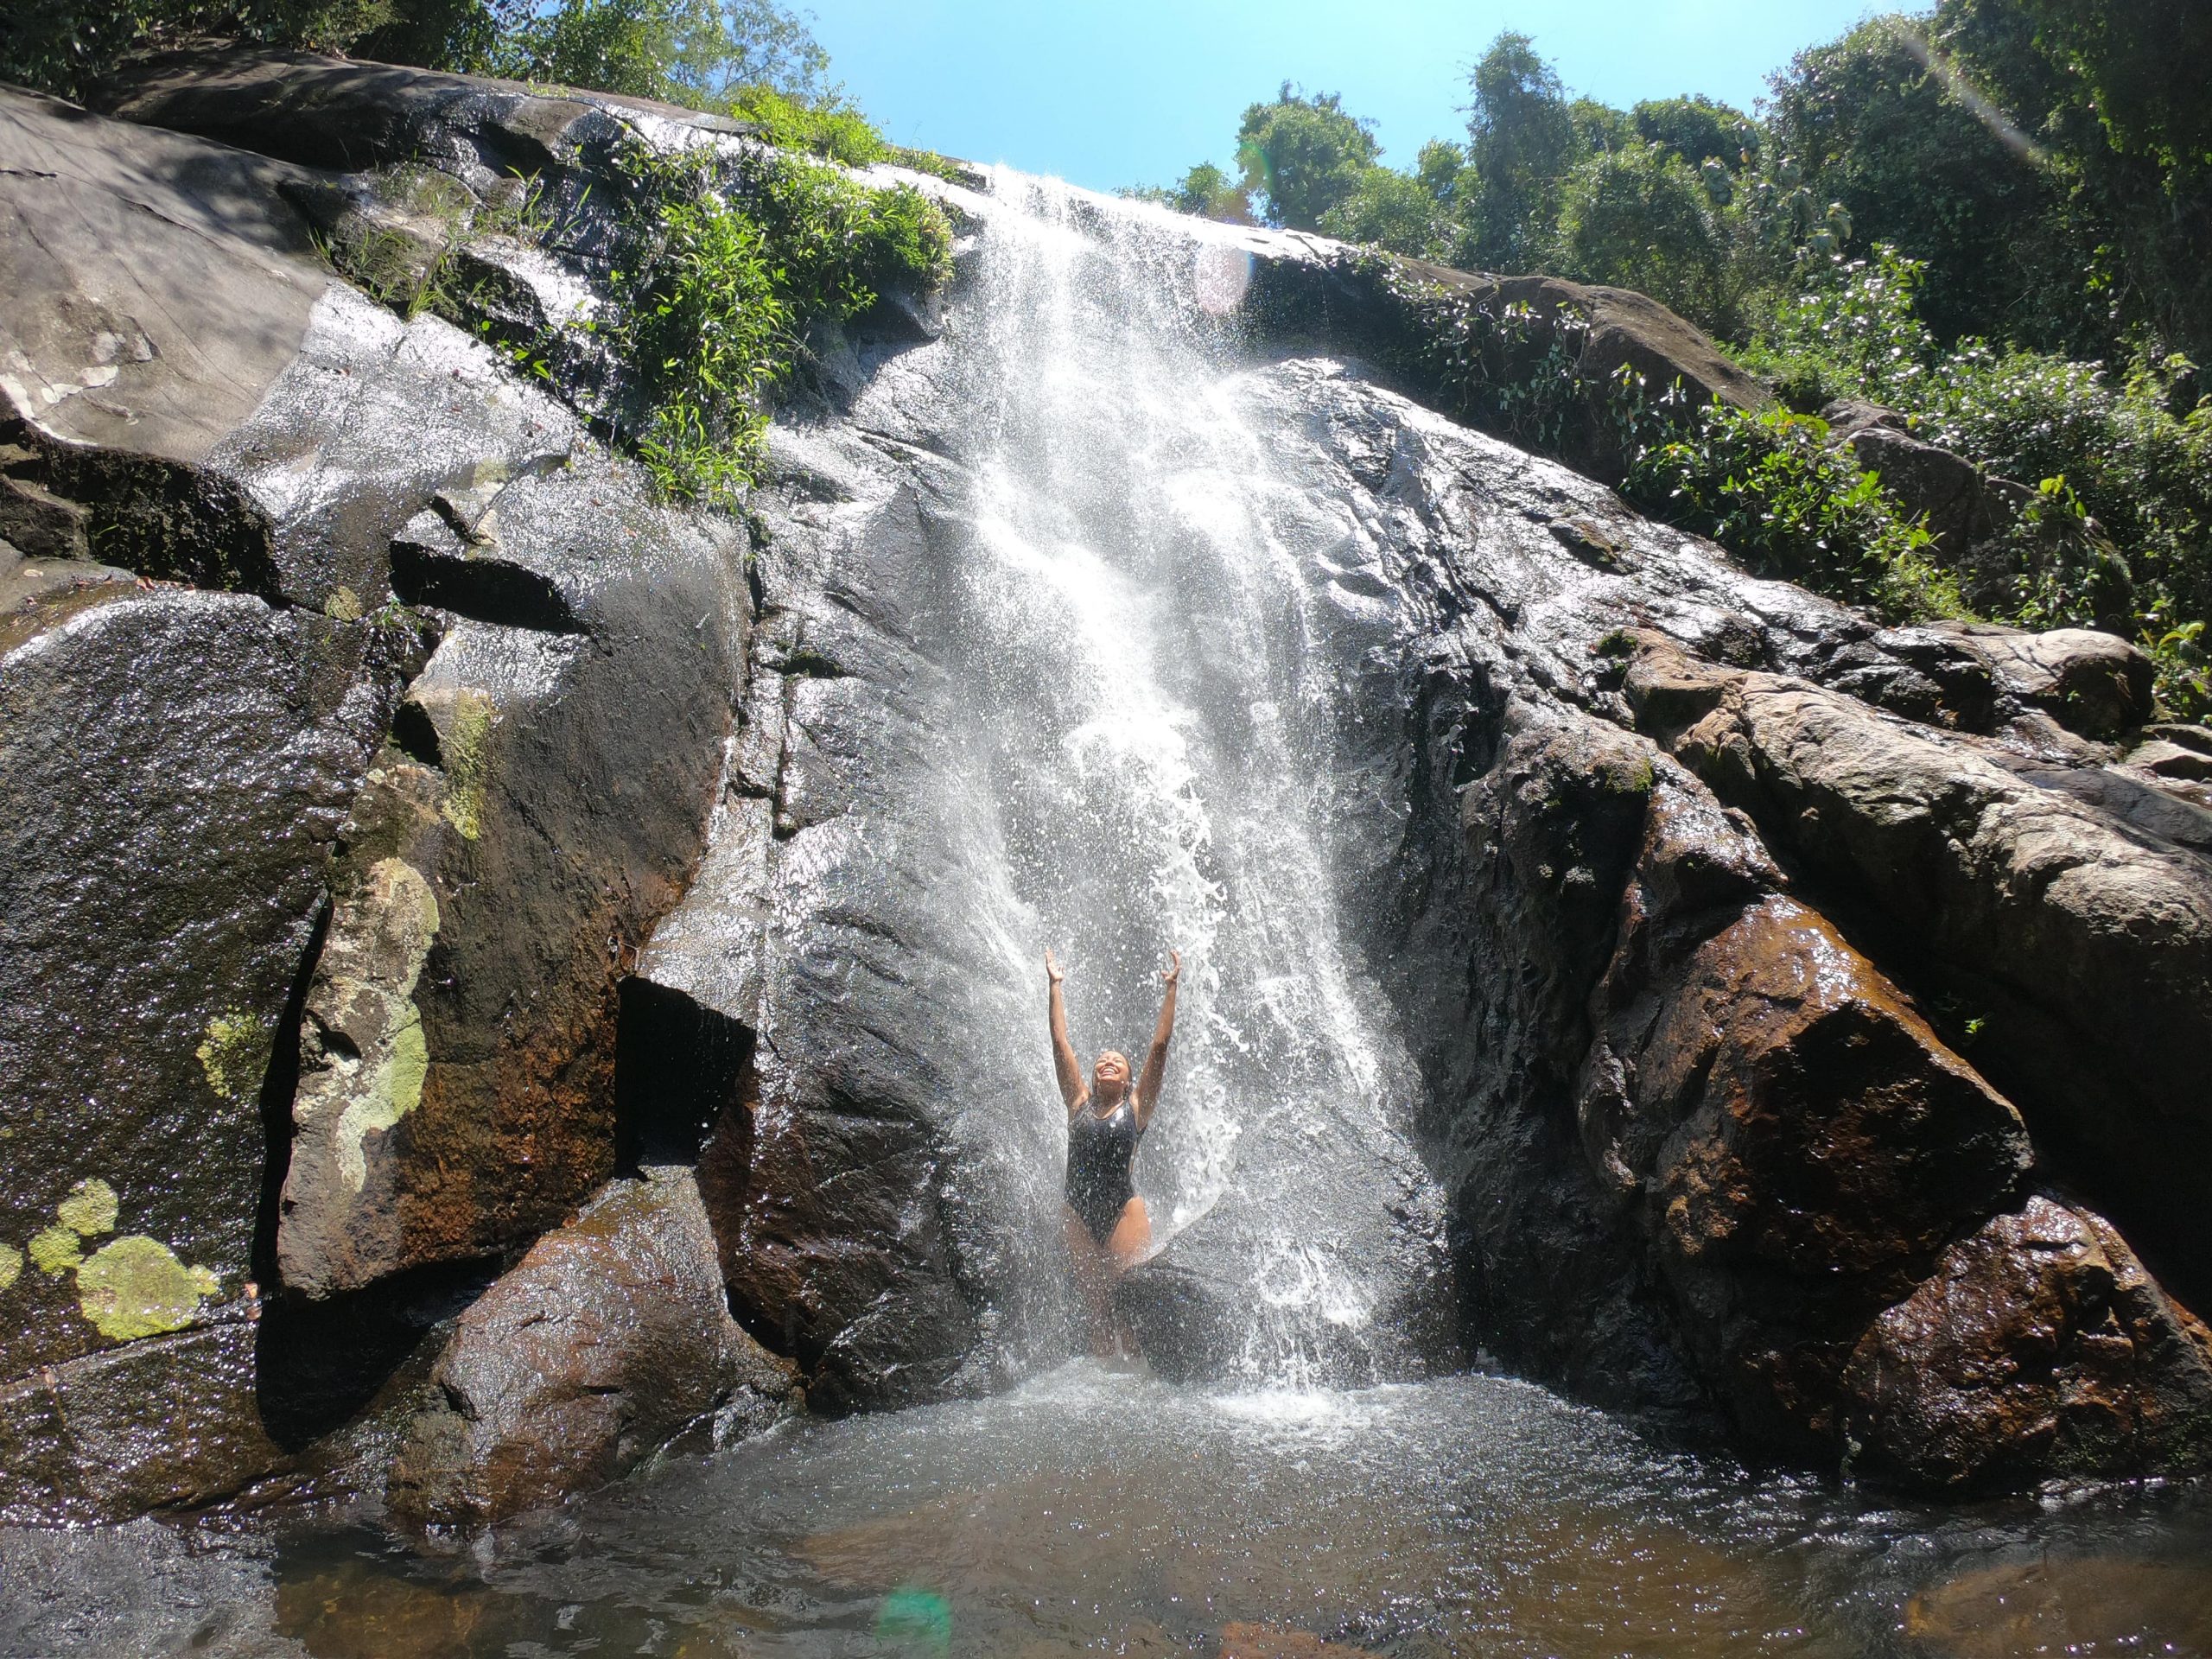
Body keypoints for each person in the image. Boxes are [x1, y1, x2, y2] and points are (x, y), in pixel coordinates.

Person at [1046, 944, 1179, 1354]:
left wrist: (1171, 990)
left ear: (1127, 1080)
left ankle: (1138, 1379)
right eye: (1102, 1059)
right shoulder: (1077, 1105)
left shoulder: (1136, 1108)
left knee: (1128, 1306)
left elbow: (1158, 1048)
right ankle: (1105, 1387)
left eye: (1117, 1062)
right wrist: (1055, 986)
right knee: (1097, 1311)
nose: (1107, 1061)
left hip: (1123, 1210)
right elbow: (1060, 1043)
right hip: (1078, 1213)